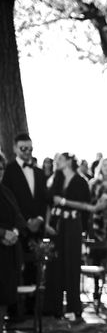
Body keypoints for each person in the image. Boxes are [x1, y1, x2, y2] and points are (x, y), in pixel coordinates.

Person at [45, 153, 106, 320]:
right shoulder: (55, 179)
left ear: (69, 161)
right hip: (56, 225)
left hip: (73, 224)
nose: (56, 162)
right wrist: (47, 224)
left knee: (72, 264)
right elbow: (50, 203)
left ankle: (74, 307)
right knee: (55, 263)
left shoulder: (80, 181)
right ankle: (55, 306)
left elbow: (86, 206)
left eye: (60, 159)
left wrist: (64, 202)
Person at [2, 133, 49, 317]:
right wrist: (24, 223)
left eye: (30, 148)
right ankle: (14, 310)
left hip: (36, 228)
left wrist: (39, 219)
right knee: (14, 269)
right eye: (23, 148)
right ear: (14, 148)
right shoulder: (8, 170)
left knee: (34, 268)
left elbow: (43, 199)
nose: (27, 152)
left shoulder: (38, 172)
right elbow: (8, 200)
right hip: (16, 229)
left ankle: (32, 307)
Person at [0, 153, 27, 333]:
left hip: (8, 252)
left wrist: (15, 232)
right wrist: (2, 233)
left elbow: (19, 216)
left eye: (1, 168)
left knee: (4, 295)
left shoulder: (6, 192)